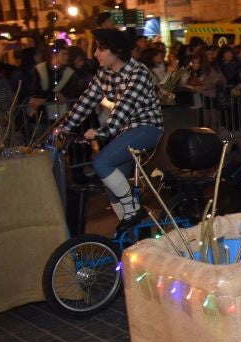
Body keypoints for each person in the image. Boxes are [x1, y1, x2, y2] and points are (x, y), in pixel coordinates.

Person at [57, 29, 163, 232]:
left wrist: (101, 132)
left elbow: (124, 109)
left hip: (147, 128)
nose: (96, 54)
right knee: (112, 185)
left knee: (101, 161)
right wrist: (65, 126)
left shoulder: (138, 74)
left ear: (117, 51)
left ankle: (133, 212)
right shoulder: (104, 73)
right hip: (126, 131)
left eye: (101, 49)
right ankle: (133, 232)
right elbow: (86, 100)